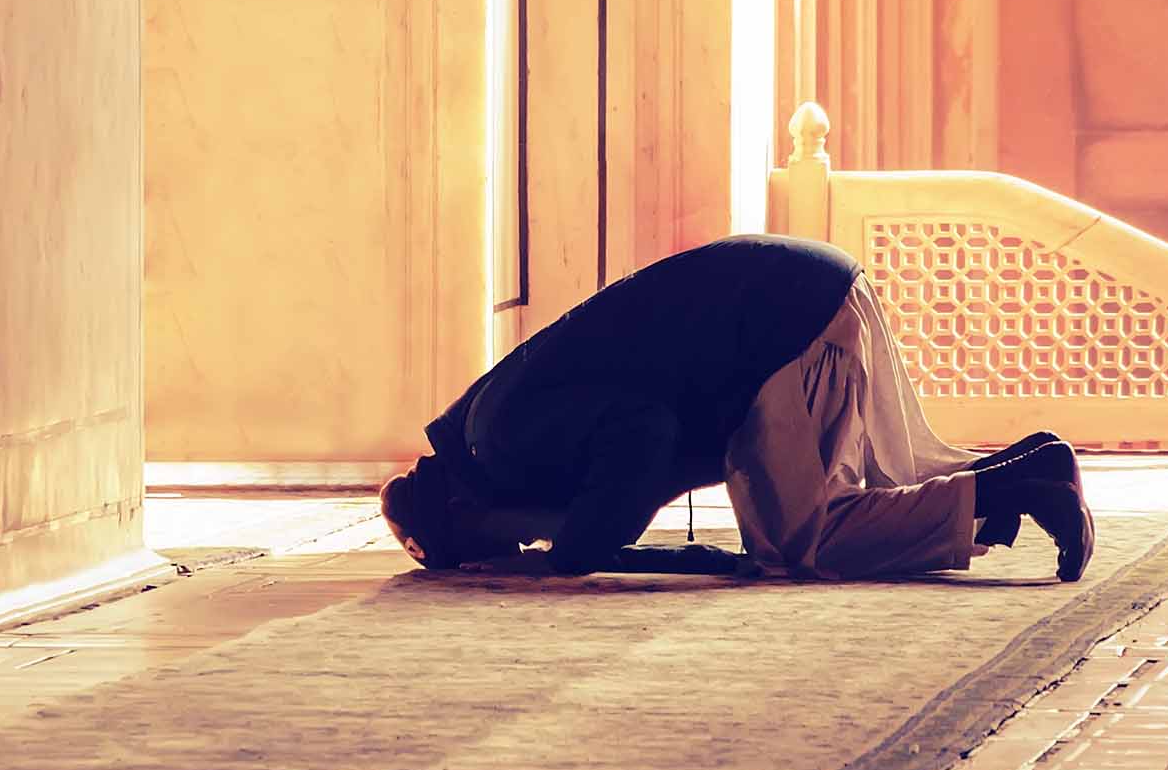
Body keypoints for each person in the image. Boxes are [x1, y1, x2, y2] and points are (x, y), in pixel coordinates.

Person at [380, 234, 1094, 581]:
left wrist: (571, 557)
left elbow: (644, 435)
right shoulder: (493, 421)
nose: (520, 542)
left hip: (781, 327)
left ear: (464, 510)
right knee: (882, 490)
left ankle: (1017, 490)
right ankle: (1033, 463)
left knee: (805, 542)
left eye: (500, 542)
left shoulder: (497, 440)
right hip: (804, 294)